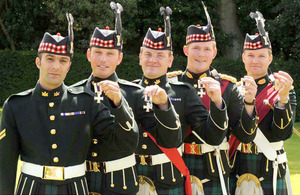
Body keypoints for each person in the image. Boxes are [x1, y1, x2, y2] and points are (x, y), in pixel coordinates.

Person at [0, 13, 138, 194]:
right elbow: (5, 164)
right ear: (38, 62)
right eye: (50, 59)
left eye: (63, 60)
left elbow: (124, 143)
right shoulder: (15, 105)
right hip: (31, 188)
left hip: (75, 188)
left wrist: (119, 106)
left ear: (69, 66)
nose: (56, 66)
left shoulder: (87, 101)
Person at [71, 2, 181, 195]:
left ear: (119, 58)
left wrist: (164, 105)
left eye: (110, 54)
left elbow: (169, 140)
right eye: (98, 53)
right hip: (81, 183)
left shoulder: (135, 93)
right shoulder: (74, 92)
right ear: (89, 55)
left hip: (119, 184)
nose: (103, 59)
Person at [134, 6, 230, 195]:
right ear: (139, 57)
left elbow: (213, 136)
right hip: (131, 179)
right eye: (148, 54)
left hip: (168, 179)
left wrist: (218, 103)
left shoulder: (184, 92)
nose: (153, 60)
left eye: (160, 55)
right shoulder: (126, 91)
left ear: (170, 60)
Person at [167, 3, 258, 194]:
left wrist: (250, 103)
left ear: (214, 52)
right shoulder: (170, 84)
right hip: (176, 166)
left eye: (207, 49)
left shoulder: (228, 86)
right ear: (185, 50)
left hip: (215, 166)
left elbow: (245, 135)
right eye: (196, 48)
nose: (201, 54)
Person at [229, 11, 296, 195]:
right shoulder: (233, 89)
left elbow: (283, 133)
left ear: (270, 58)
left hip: (269, 168)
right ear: (243, 58)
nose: (255, 61)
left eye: (261, 56)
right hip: (237, 166)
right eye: (250, 55)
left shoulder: (283, 88)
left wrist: (282, 98)